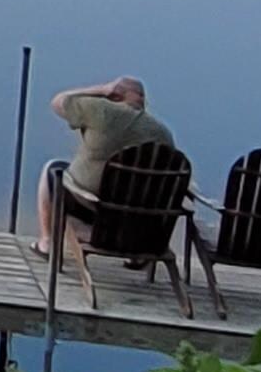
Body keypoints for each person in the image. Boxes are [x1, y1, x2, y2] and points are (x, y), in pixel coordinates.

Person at [31, 76, 174, 261]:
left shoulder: (102, 111)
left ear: (115, 95)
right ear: (141, 99)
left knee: (52, 170)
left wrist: (101, 89)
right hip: (137, 220)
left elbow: (59, 102)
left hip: (94, 205)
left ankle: (47, 243)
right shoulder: (163, 134)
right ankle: (136, 255)